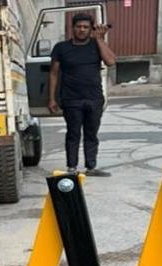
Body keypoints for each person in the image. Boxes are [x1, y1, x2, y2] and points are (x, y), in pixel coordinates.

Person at [48, 12, 116, 177]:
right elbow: (53, 74)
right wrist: (51, 99)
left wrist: (100, 39)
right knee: (73, 133)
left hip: (94, 98)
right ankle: (72, 167)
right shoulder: (61, 48)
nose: (82, 30)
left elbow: (111, 61)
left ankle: (91, 167)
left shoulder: (96, 44)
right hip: (71, 99)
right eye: (78, 26)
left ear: (90, 29)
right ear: (72, 28)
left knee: (91, 134)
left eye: (86, 27)